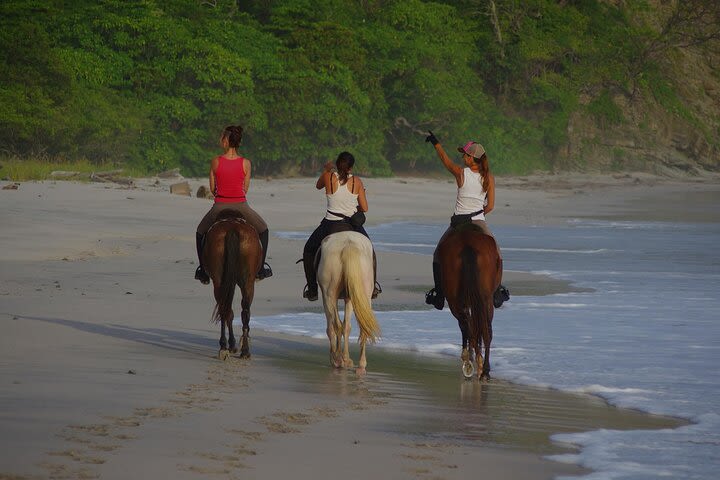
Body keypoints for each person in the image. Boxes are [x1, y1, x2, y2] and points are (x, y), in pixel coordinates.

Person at [424, 131, 507, 310]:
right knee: (497, 254)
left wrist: (436, 143)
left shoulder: (461, 173)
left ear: (471, 158)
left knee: (438, 254)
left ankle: (439, 293)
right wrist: (478, 215)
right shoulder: (489, 178)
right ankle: (497, 290)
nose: (462, 156)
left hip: (457, 224)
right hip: (478, 222)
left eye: (465, 154)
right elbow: (490, 206)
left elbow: (444, 160)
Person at [194, 125, 272, 284]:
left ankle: (203, 270)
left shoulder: (215, 161)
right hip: (241, 205)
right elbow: (245, 188)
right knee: (263, 230)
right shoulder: (246, 163)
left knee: (200, 232)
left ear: (226, 140)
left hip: (219, 206)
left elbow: (213, 188)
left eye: (221, 137)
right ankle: (261, 268)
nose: (219, 140)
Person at [301, 151, 381, 301]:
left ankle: (312, 289)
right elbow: (364, 208)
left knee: (308, 250)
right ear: (351, 168)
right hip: (351, 224)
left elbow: (318, 186)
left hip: (330, 223)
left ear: (337, 164)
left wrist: (326, 169)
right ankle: (373, 287)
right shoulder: (357, 181)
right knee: (370, 251)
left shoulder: (328, 177)